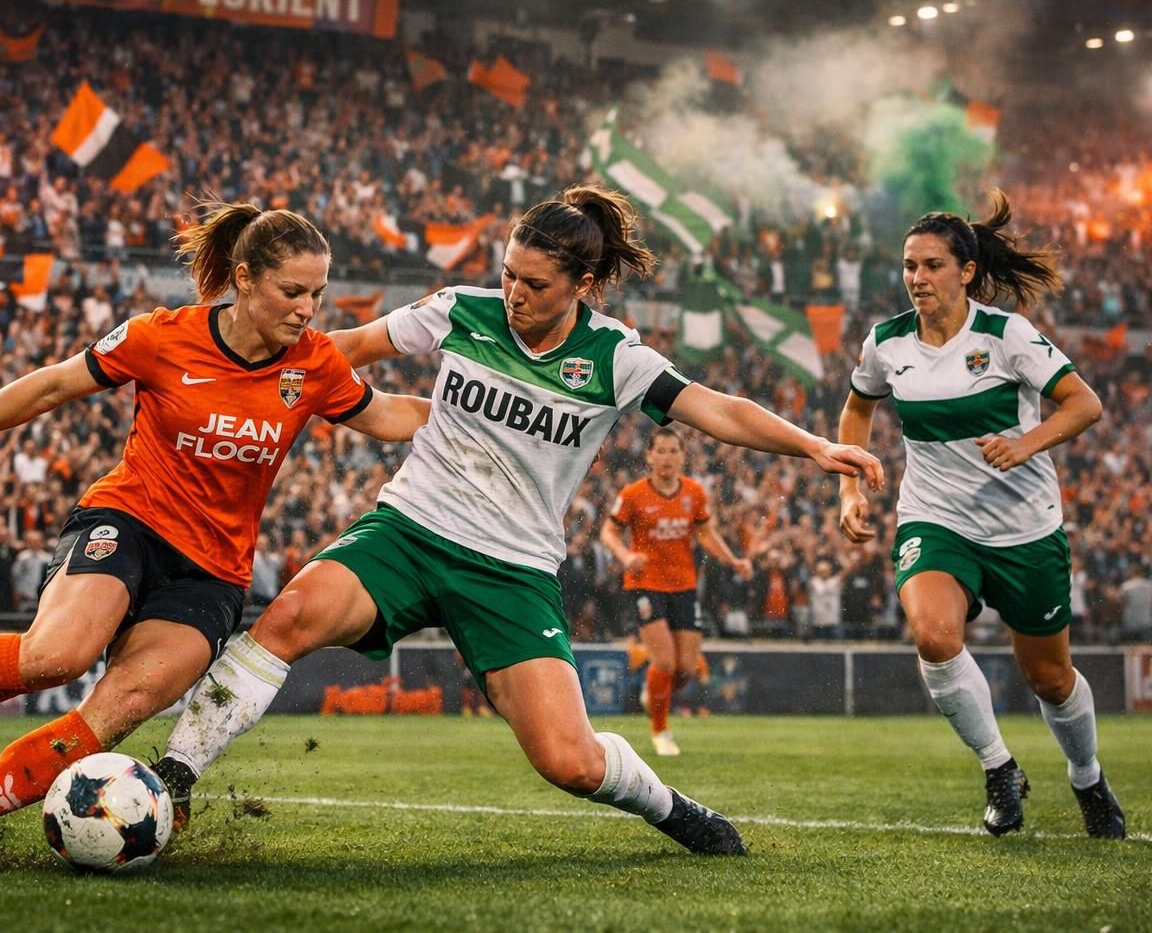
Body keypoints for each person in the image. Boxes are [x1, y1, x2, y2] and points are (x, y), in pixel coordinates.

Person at [156, 185, 883, 856]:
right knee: (287, 618)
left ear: (583, 287)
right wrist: (237, 368)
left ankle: (669, 808)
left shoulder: (614, 357)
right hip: (410, 530)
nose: (513, 295)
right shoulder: (460, 310)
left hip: (512, 569)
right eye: (507, 274)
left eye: (534, 285)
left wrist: (815, 444)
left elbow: (719, 408)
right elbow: (345, 348)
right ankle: (174, 776)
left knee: (569, 762)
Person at [0, 204, 429, 867]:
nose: (307, 309)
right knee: (55, 656)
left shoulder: (314, 364)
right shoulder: (162, 336)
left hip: (210, 574)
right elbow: (53, 385)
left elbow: (391, 416)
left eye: (317, 294)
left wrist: (498, 414)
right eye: (292, 292)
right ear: (245, 279)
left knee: (117, 711)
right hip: (129, 523)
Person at [837, 190, 1124, 839]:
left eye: (933, 265)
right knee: (935, 637)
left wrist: (1027, 442)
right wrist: (849, 487)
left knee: (1049, 677)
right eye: (910, 265)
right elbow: (858, 409)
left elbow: (1085, 404)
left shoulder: (1006, 335)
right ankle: (999, 769)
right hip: (936, 520)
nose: (917, 278)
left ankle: (1088, 778)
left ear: (966, 271)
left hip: (1025, 530)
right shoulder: (886, 343)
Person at [599, 428, 751, 756]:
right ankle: (661, 731)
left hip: (684, 585)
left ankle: (653, 692)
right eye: (661, 451)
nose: (667, 458)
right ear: (649, 456)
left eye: (673, 451)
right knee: (665, 661)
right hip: (645, 584)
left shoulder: (694, 493)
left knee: (686, 669)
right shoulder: (633, 494)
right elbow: (609, 532)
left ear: (683, 456)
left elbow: (706, 534)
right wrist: (626, 557)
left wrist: (733, 561)